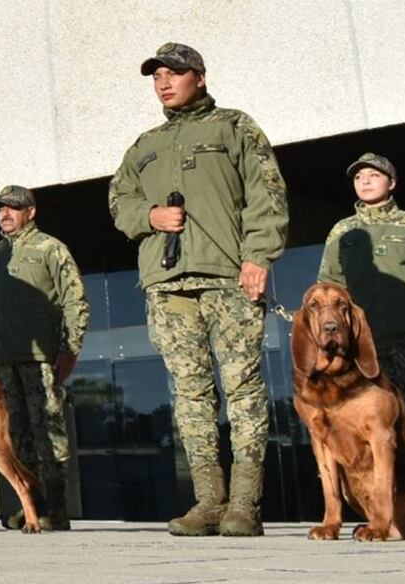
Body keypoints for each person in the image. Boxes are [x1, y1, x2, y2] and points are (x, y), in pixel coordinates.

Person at [108, 43, 289, 537]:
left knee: (243, 388)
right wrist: (149, 216)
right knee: (189, 393)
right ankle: (209, 501)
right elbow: (119, 199)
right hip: (167, 284)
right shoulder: (144, 145)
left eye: (174, 73)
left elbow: (267, 194)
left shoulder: (234, 127)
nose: (164, 83)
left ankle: (245, 504)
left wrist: (258, 256)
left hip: (227, 277)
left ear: (200, 78)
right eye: (157, 77)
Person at [318, 152, 405, 450]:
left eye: (374, 175)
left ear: (392, 182)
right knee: (371, 430)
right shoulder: (342, 232)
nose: (365, 181)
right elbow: (329, 289)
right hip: (363, 349)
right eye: (359, 177)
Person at [0, 185, 90, 531]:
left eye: (12, 208)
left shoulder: (51, 248)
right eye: (0, 209)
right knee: (15, 434)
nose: (4, 214)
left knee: (48, 430)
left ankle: (56, 509)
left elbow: (75, 300)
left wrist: (70, 348)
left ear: (31, 212)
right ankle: (30, 507)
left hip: (40, 358)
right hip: (1, 359)